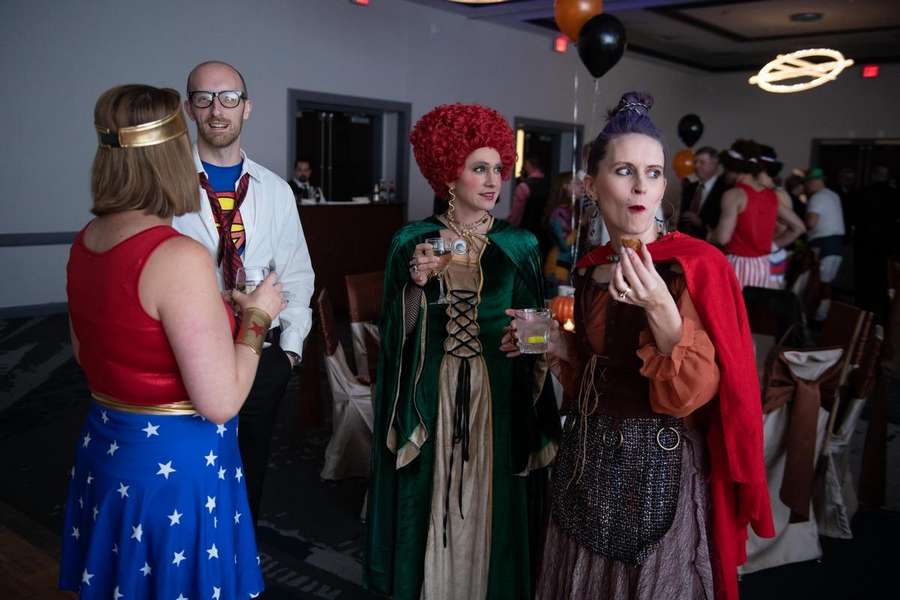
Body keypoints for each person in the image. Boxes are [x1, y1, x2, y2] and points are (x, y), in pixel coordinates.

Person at [520, 92, 773, 600]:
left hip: (659, 474)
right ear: (592, 185)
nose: (641, 186)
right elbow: (594, 374)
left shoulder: (694, 266)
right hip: (586, 469)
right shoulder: (590, 267)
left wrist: (661, 307)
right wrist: (551, 341)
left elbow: (693, 395)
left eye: (653, 173)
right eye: (624, 171)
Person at [61, 84, 285, 599]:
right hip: (173, 476)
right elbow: (221, 402)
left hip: (108, 453)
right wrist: (257, 317)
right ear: (170, 158)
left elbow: (86, 353)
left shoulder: (85, 240)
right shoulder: (178, 256)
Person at [366, 103, 560, 600]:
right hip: (432, 395)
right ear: (449, 173)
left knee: (492, 498)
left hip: (497, 396)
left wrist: (530, 339)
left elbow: (537, 326)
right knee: (431, 496)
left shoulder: (520, 243)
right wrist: (415, 288)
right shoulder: (412, 241)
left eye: (498, 168)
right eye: (480, 168)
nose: (494, 181)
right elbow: (394, 336)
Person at [172, 61, 315, 525]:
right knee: (189, 481)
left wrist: (289, 353)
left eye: (229, 98)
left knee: (247, 479)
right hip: (187, 360)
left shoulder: (275, 191)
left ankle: (238, 561)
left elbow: (297, 275)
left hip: (260, 357)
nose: (217, 110)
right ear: (189, 108)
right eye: (204, 98)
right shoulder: (164, 187)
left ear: (246, 108)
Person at [710, 140, 805, 288]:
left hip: (738, 266)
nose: (724, 173)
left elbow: (722, 238)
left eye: (727, 168)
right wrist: (771, 245)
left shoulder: (734, 194)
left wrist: (709, 235)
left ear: (735, 167)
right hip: (764, 266)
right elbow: (798, 227)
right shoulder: (771, 195)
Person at [758, 144, 806, 288]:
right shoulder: (769, 193)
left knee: (765, 299)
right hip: (769, 255)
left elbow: (783, 228)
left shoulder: (776, 195)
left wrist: (766, 247)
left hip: (772, 257)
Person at [855, 166, 899, 317]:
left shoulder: (865, 192)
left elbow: (857, 215)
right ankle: (881, 306)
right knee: (883, 276)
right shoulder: (894, 194)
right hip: (885, 242)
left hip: (865, 241)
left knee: (865, 275)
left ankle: (863, 305)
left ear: (873, 176)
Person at [804, 167, 846, 320]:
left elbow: (811, 222)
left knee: (818, 283)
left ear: (814, 181)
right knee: (826, 283)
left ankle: (817, 318)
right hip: (836, 246)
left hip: (823, 246)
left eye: (808, 182)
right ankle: (822, 316)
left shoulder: (817, 197)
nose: (807, 186)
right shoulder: (833, 195)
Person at [543, 173, 583, 296]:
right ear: (565, 186)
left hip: (566, 266)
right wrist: (580, 225)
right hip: (558, 267)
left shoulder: (572, 210)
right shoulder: (559, 212)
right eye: (577, 183)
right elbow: (564, 244)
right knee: (557, 305)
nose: (582, 186)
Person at [678, 146, 727, 239]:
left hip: (709, 242)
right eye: (695, 162)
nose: (696, 166)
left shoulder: (725, 190)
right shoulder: (689, 187)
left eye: (702, 162)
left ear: (714, 164)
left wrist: (701, 223)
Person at [510, 154, 550, 246]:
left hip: (526, 231)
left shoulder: (524, 186)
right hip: (544, 232)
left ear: (528, 164)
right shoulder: (549, 184)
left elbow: (516, 214)